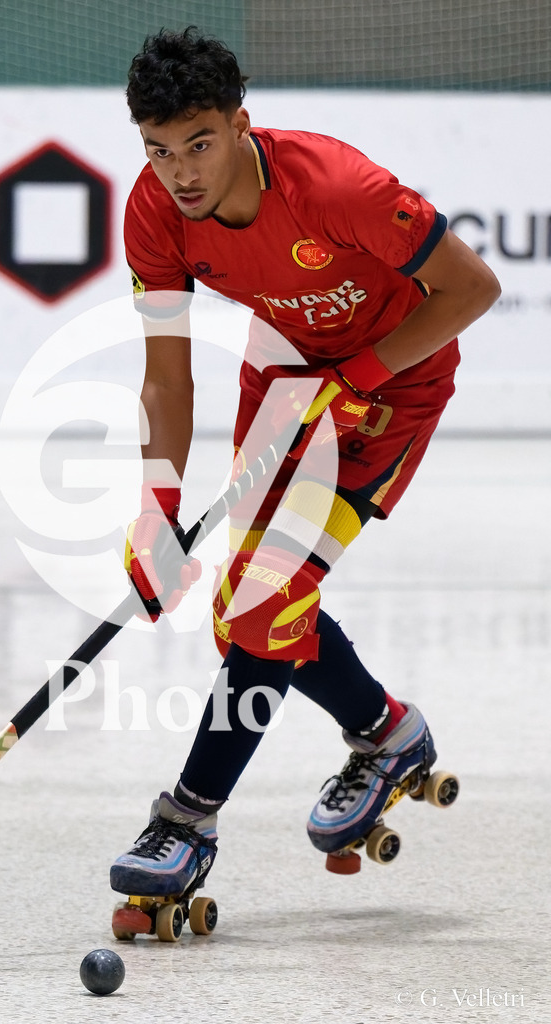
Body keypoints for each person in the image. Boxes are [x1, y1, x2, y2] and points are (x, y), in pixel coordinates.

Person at [110, 26, 500, 894]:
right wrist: (154, 508)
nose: (182, 172)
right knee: (243, 607)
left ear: (243, 124)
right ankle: (388, 734)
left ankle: (186, 823)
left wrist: (358, 375)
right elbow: (166, 383)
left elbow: (473, 289)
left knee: (266, 598)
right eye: (160, 150)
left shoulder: (334, 184)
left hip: (393, 387)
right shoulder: (152, 212)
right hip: (287, 381)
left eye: (201, 144)